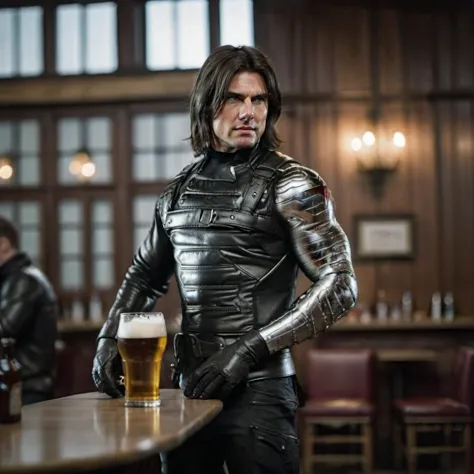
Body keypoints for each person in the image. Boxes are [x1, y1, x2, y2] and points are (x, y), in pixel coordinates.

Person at [92, 45, 357, 474]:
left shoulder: (293, 184)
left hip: (262, 391)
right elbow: (144, 275)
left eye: (259, 100)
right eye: (234, 98)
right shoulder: (177, 191)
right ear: (206, 105)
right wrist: (108, 338)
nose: (249, 111)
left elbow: (341, 284)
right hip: (188, 390)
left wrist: (249, 350)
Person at [0, 216, 58, 405]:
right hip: (19, 385)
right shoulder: (15, 278)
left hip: (27, 389)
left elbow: (4, 330)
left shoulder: (23, 281)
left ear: (3, 244)